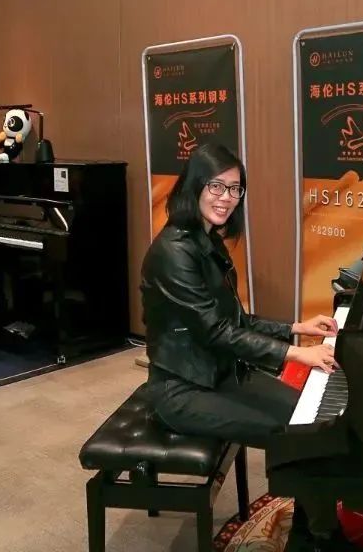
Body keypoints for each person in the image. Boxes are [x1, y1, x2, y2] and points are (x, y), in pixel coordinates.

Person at [141, 143, 351, 551]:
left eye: (235, 189)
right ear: (195, 186)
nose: (227, 198)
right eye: (216, 186)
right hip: (181, 389)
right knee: (299, 435)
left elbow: (235, 320)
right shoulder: (173, 253)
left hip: (221, 373)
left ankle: (311, 527)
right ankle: (321, 539)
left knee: (312, 421)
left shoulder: (206, 240)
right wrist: (296, 353)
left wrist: (296, 327)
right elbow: (217, 333)